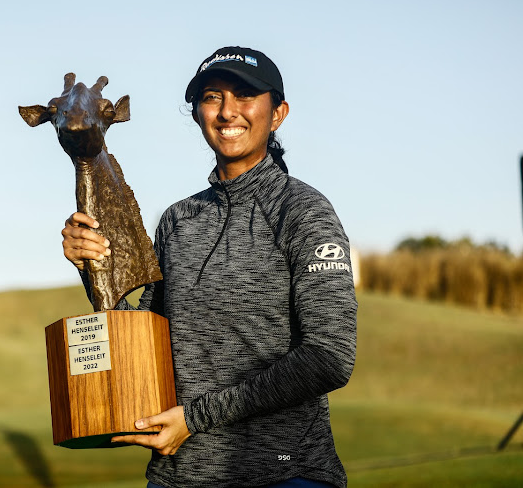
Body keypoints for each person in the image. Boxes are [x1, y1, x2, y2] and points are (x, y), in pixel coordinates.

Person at [61, 46, 357, 488]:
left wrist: (197, 418)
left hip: (284, 475)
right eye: (213, 97)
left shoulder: (303, 211)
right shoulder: (178, 220)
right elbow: (147, 339)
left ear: (278, 114)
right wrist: (94, 267)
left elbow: (329, 357)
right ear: (198, 114)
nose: (227, 112)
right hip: (177, 477)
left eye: (245, 96)